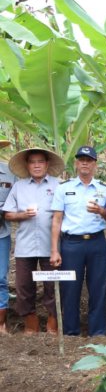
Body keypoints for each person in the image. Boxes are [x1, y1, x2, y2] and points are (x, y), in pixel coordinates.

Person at [50, 146, 106, 336]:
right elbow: (56, 220)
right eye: (81, 160)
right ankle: (71, 331)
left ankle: (98, 331)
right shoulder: (64, 188)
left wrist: (101, 211)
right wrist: (55, 250)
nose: (85, 163)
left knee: (98, 286)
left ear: (95, 164)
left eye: (89, 160)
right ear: (76, 163)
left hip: (97, 243)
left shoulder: (104, 189)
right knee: (70, 288)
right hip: (72, 244)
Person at [4, 148, 64, 334]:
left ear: (47, 164)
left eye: (40, 161)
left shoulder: (59, 185)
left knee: (52, 284)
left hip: (51, 246)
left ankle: (53, 323)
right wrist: (23, 215)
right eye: (32, 162)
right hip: (25, 245)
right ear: (27, 165)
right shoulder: (19, 187)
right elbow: (7, 214)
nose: (36, 165)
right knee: (23, 286)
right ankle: (31, 323)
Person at [0, 138, 15, 334]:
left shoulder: (10, 173)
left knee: (0, 278)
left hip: (1, 233)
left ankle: (1, 323)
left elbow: (20, 196)